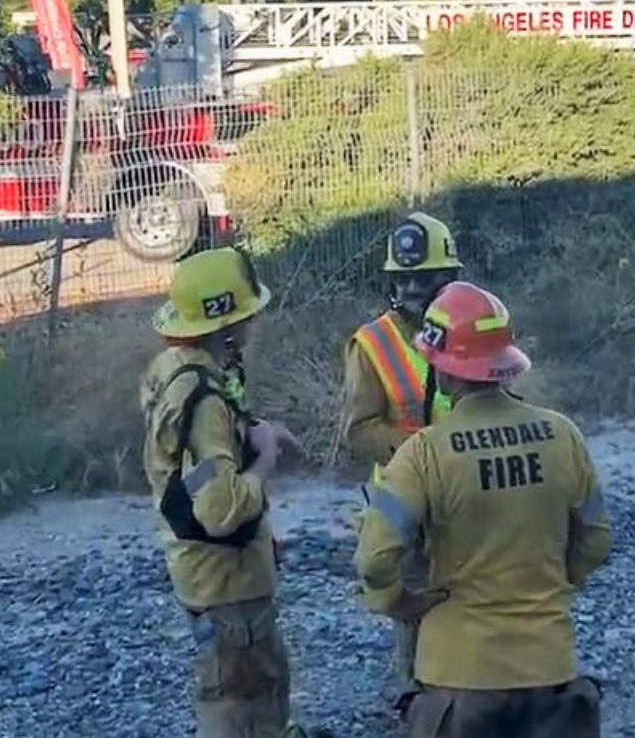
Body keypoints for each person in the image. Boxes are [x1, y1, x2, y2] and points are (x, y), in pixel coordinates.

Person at [354, 281, 610, 738]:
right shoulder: (563, 435)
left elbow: (374, 560)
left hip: (459, 678)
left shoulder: (422, 453)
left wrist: (402, 603)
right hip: (550, 668)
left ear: (444, 372)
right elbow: (595, 539)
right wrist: (552, 584)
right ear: (505, 366)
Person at [140, 245, 310, 738]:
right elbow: (221, 508)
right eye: (246, 315)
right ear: (227, 327)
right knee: (240, 696)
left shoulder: (176, 370)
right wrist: (265, 460)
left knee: (251, 681)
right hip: (227, 583)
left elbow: (190, 466)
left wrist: (256, 431)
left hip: (204, 571)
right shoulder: (206, 398)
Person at [343, 212, 463, 700]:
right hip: (408, 503)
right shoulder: (372, 344)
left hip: (470, 496)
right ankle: (418, 703)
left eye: (426, 277)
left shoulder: (471, 326)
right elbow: (359, 432)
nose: (414, 287)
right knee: (416, 611)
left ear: (449, 278)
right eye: (405, 277)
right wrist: (425, 454)